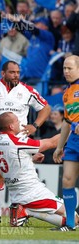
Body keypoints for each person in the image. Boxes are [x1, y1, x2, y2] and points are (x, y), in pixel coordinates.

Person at [0, 61, 51, 224]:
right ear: (3, 73)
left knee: (19, 177)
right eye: (12, 72)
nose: (16, 76)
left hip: (19, 142)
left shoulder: (27, 90)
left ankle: (20, 211)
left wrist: (35, 125)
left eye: (18, 72)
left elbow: (45, 108)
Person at [0, 112, 73, 229]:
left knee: (70, 218)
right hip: (34, 193)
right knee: (74, 218)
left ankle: (22, 210)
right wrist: (71, 130)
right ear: (11, 126)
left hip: (16, 194)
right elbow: (52, 142)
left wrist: (30, 157)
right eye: (16, 121)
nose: (19, 122)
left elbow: (11, 161)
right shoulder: (17, 142)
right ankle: (26, 211)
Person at [53, 55, 79, 231]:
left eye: (70, 68)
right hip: (74, 141)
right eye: (64, 68)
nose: (66, 71)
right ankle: (70, 223)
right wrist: (59, 147)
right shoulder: (67, 93)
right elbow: (67, 122)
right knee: (67, 180)